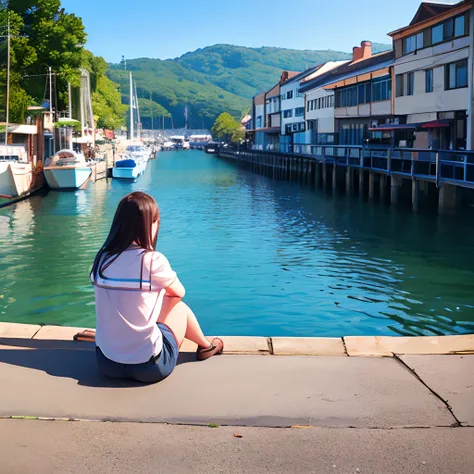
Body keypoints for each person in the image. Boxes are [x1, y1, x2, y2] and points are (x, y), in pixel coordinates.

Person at [90, 191, 223, 384]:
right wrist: (161, 314)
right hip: (150, 367)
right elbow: (179, 293)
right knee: (180, 307)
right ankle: (206, 345)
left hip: (107, 363)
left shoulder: (102, 259)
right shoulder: (152, 260)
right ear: (150, 224)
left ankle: (117, 339)